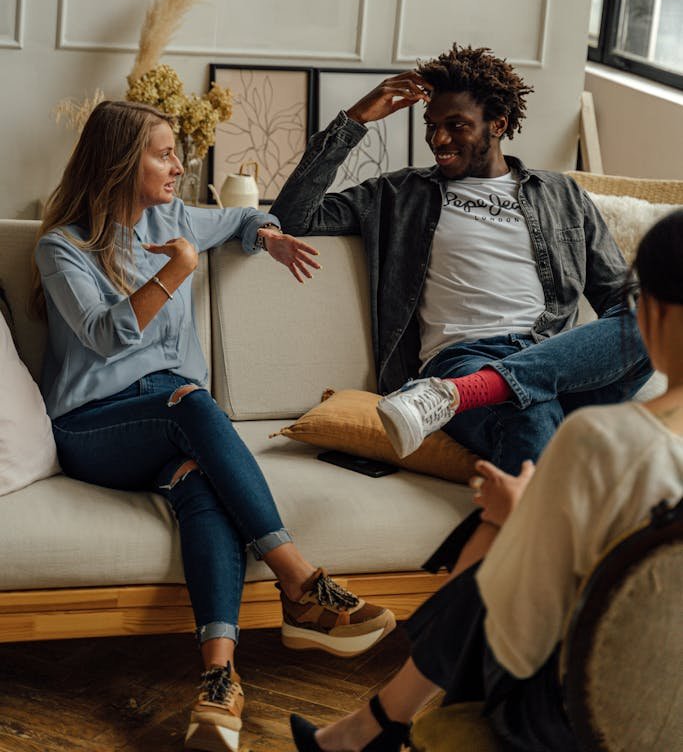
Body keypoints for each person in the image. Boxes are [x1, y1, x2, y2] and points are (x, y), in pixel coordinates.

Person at [31, 100, 395, 752]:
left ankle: (218, 684)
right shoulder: (63, 247)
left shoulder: (176, 219)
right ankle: (302, 584)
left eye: (176, 152)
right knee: (194, 402)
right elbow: (106, 336)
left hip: (175, 423)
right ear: (120, 162)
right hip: (94, 429)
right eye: (163, 153)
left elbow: (245, 216)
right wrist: (176, 270)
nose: (179, 165)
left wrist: (269, 236)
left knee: (201, 485)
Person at [289, 208, 683, 752]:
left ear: (653, 315)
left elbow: (520, 642)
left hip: (577, 717)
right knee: (525, 458)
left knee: (498, 539)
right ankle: (369, 728)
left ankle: (373, 725)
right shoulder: (407, 195)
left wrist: (513, 521)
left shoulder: (601, 440)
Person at [271, 43, 652, 567]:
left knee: (658, 316)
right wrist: (355, 120)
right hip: (466, 358)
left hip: (549, 364)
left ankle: (455, 398)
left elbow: (623, 301)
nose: (437, 139)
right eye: (432, 125)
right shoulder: (400, 194)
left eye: (456, 126)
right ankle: (533, 601)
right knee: (529, 403)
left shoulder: (561, 195)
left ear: (497, 123)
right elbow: (293, 217)